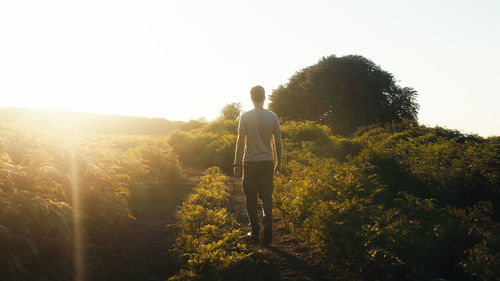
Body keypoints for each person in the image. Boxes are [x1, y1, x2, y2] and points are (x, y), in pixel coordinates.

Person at [233, 85, 282, 245]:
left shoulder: (245, 117)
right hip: (268, 161)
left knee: (251, 198)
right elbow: (278, 142)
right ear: (264, 97)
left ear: (251, 97)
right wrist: (279, 162)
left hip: (250, 162)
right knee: (267, 196)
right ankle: (268, 224)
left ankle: (254, 231)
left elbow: (240, 141)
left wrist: (236, 163)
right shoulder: (273, 117)